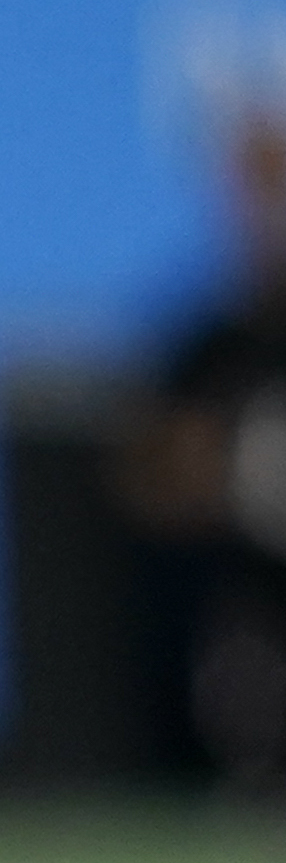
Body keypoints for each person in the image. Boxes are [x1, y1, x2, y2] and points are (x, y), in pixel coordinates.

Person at [120, 106, 286, 794]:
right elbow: (148, 481)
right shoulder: (204, 347)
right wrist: (230, 482)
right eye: (258, 194)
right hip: (251, 611)